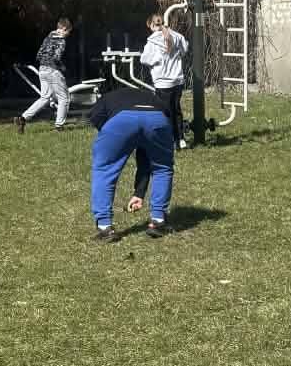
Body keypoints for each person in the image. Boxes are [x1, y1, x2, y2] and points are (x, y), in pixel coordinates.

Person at [87, 81, 175, 240]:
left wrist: (116, 139)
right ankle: (158, 221)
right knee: (162, 168)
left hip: (122, 121)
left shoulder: (107, 98)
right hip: (157, 118)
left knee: (104, 169)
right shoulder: (151, 97)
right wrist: (139, 193)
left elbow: (96, 118)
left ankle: (105, 227)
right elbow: (146, 153)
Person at [138, 13, 190, 150]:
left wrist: (156, 60)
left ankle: (169, 140)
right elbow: (184, 49)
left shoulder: (152, 42)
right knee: (176, 110)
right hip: (177, 80)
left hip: (162, 82)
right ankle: (181, 139)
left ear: (151, 25)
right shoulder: (177, 36)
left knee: (165, 113)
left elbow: (144, 59)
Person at [18, 18, 73, 131]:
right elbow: (57, 58)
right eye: (68, 31)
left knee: (44, 98)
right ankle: (59, 126)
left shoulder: (48, 38)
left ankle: (23, 118)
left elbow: (38, 55)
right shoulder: (61, 40)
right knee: (64, 98)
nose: (68, 34)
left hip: (42, 69)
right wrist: (62, 67)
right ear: (63, 28)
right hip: (52, 70)